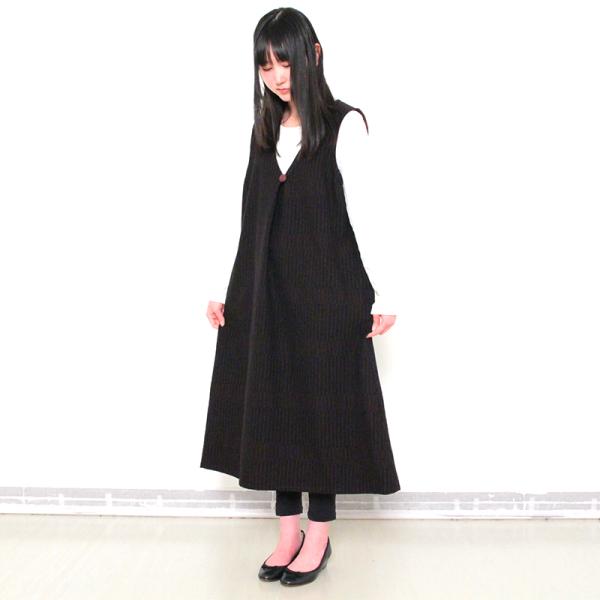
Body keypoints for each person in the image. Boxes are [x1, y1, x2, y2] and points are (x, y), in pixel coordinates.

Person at [200, 7, 401, 586]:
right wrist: (220, 286)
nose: (277, 76)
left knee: (323, 407)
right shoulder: (263, 130)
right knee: (274, 406)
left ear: (314, 54)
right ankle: (287, 532)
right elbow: (243, 214)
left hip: (327, 292)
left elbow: (370, 212)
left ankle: (319, 534)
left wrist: (386, 290)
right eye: (265, 66)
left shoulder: (344, 125)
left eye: (285, 61)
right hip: (264, 290)